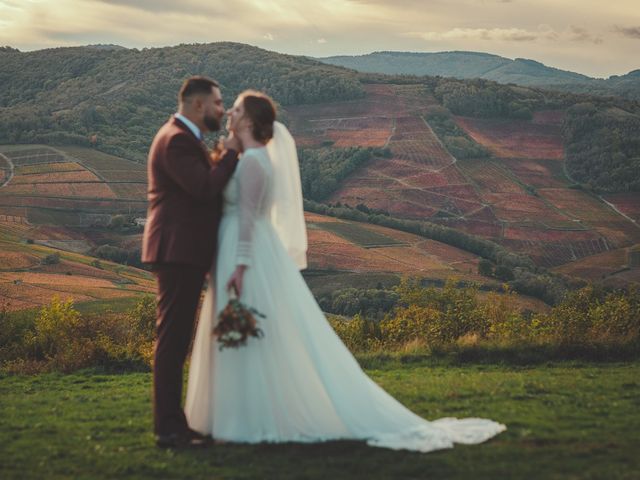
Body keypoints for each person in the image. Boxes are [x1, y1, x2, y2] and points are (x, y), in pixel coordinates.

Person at [185, 90, 506, 452]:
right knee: (244, 332)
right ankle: (237, 414)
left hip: (247, 254)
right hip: (236, 250)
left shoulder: (255, 162)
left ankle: (245, 419)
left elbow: (247, 217)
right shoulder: (248, 158)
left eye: (237, 109)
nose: (230, 111)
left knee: (248, 331)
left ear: (249, 121)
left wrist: (241, 265)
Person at [141, 76, 241, 448]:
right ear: (199, 105)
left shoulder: (182, 137)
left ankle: (174, 424)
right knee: (172, 340)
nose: (222, 109)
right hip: (176, 250)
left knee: (176, 337)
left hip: (182, 250)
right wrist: (231, 152)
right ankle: (168, 429)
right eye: (218, 103)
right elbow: (203, 188)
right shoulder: (177, 140)